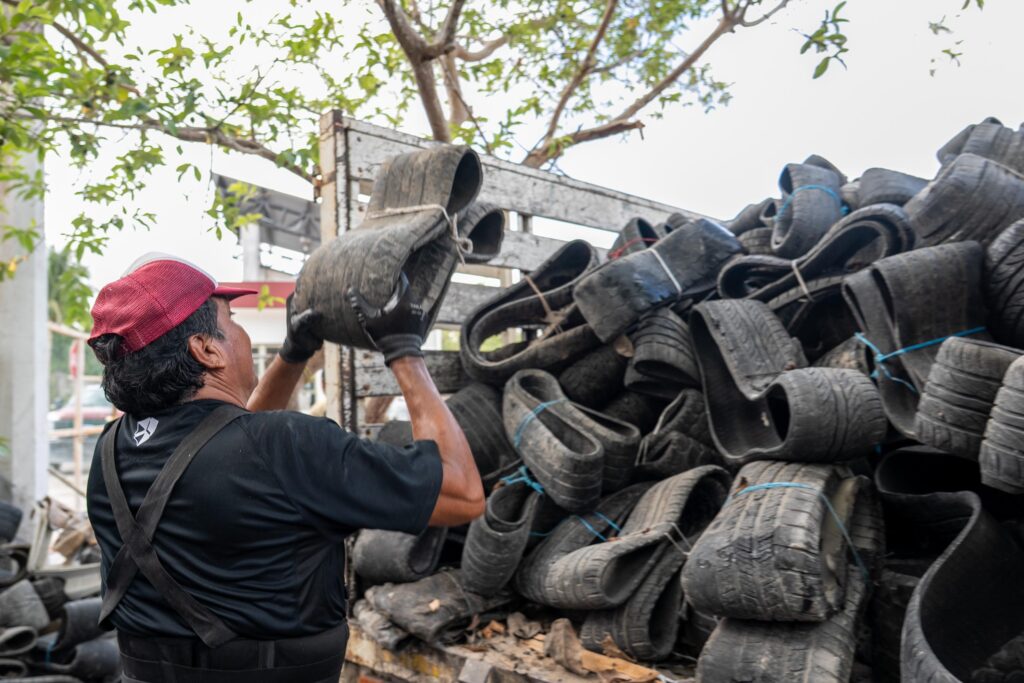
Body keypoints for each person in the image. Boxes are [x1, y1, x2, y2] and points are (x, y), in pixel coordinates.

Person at [85, 253, 484, 683]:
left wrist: (294, 355)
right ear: (206, 350)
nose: (242, 332)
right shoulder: (287, 446)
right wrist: (404, 349)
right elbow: (461, 492)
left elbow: (227, 438)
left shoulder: (111, 451)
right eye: (232, 318)